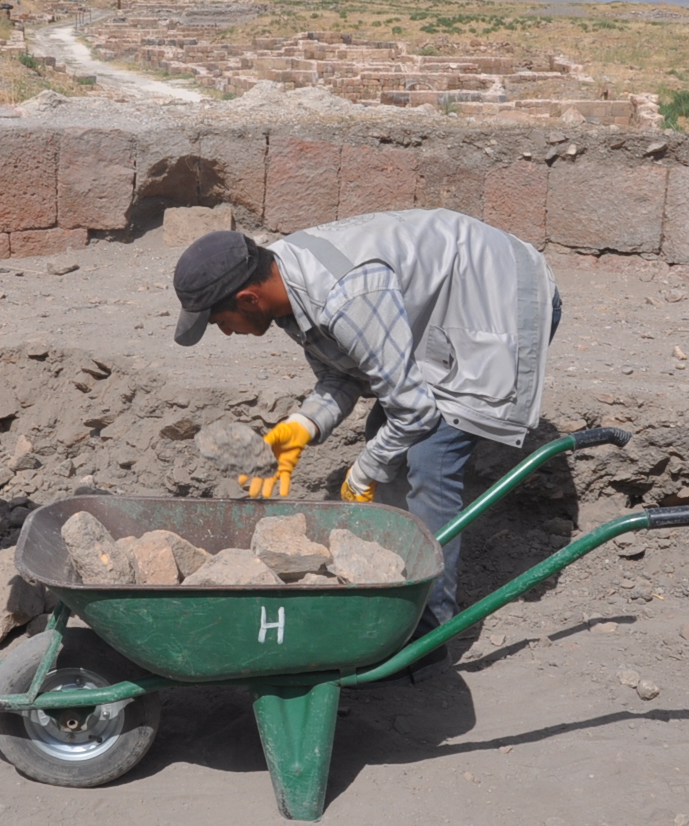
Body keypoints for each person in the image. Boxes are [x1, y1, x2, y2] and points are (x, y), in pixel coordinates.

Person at [171, 211, 559, 672]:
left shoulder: (344, 296)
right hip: (446, 301)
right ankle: (394, 588)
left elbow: (413, 410)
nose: (224, 332)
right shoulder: (285, 287)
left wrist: (366, 470)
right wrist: (303, 425)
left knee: (429, 460)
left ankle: (427, 634)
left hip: (500, 297)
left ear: (249, 298)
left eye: (220, 321)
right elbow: (344, 373)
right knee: (387, 437)